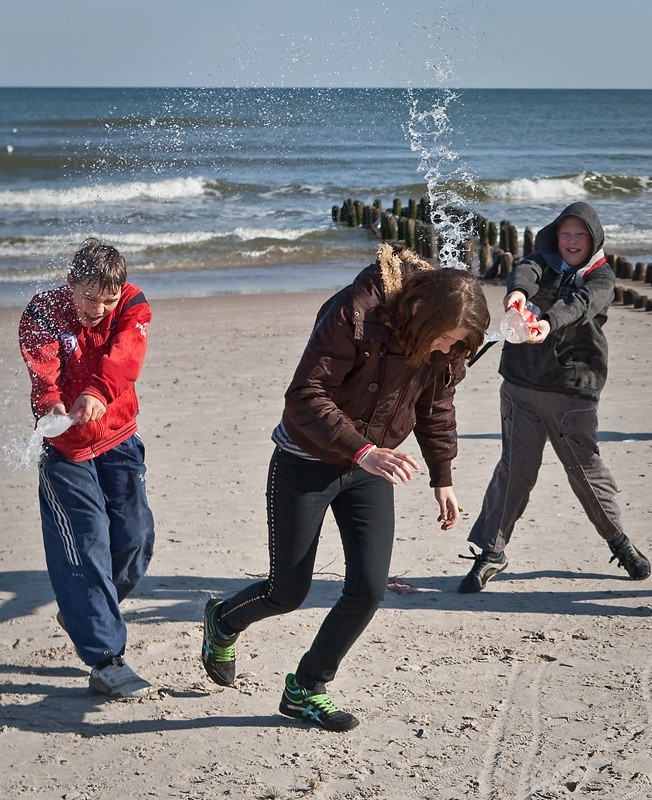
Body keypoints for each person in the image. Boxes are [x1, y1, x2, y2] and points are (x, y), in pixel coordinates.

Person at [201, 242, 490, 731]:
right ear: (419, 312)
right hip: (306, 460)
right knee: (287, 591)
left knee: (368, 589)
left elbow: (435, 407)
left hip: (370, 466)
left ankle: (307, 687)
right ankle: (223, 621)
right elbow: (304, 396)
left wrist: (442, 477)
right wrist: (364, 450)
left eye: (455, 344)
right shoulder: (354, 312)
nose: (446, 348)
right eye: (443, 338)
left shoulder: (446, 346)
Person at [458, 202, 650, 593]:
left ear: (593, 238)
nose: (572, 242)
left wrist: (546, 322)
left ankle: (618, 542)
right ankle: (492, 552)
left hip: (572, 390)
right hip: (520, 385)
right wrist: (515, 296)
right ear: (555, 235)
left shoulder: (601, 278)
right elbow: (524, 271)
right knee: (514, 471)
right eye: (566, 234)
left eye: (580, 235)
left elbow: (580, 306)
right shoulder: (540, 260)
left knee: (585, 471)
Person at [19, 239, 156, 697]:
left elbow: (125, 358)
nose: (97, 308)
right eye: (87, 296)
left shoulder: (132, 304)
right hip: (66, 452)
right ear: (71, 282)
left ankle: (84, 610)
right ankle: (105, 660)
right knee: (87, 545)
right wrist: (56, 408)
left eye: (107, 299)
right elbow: (45, 378)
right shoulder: (43, 312)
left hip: (118, 437)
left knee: (136, 539)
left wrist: (98, 392)